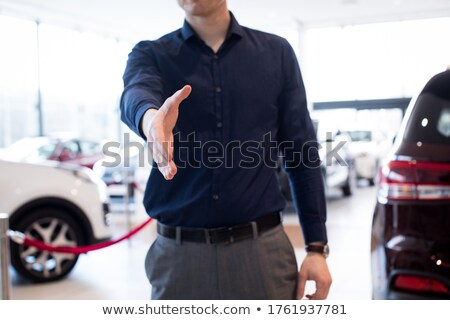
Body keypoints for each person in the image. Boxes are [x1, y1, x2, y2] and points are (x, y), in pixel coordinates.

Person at [120, 0, 332, 300]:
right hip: (180, 258)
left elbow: (301, 153)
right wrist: (149, 118)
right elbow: (135, 92)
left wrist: (316, 247)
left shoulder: (277, 53)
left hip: (261, 254)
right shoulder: (151, 54)